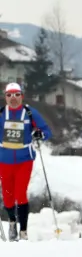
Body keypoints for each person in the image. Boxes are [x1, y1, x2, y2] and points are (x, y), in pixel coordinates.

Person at [0, 83, 51, 241]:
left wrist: (39, 134)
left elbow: (47, 131)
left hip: (24, 160)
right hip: (4, 160)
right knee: (8, 196)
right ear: (5, 97)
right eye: (9, 95)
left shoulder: (30, 113)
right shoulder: (1, 114)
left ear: (22, 96)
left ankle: (23, 231)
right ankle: (12, 222)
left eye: (16, 95)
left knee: (20, 193)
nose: (13, 98)